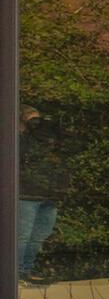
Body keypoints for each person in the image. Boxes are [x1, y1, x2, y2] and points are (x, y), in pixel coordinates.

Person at [16, 104, 63, 280]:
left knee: (40, 235)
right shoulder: (15, 139)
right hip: (26, 195)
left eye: (38, 120)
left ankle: (25, 270)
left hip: (48, 195)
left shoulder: (45, 139)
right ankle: (15, 274)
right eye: (32, 120)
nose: (37, 123)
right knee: (23, 235)